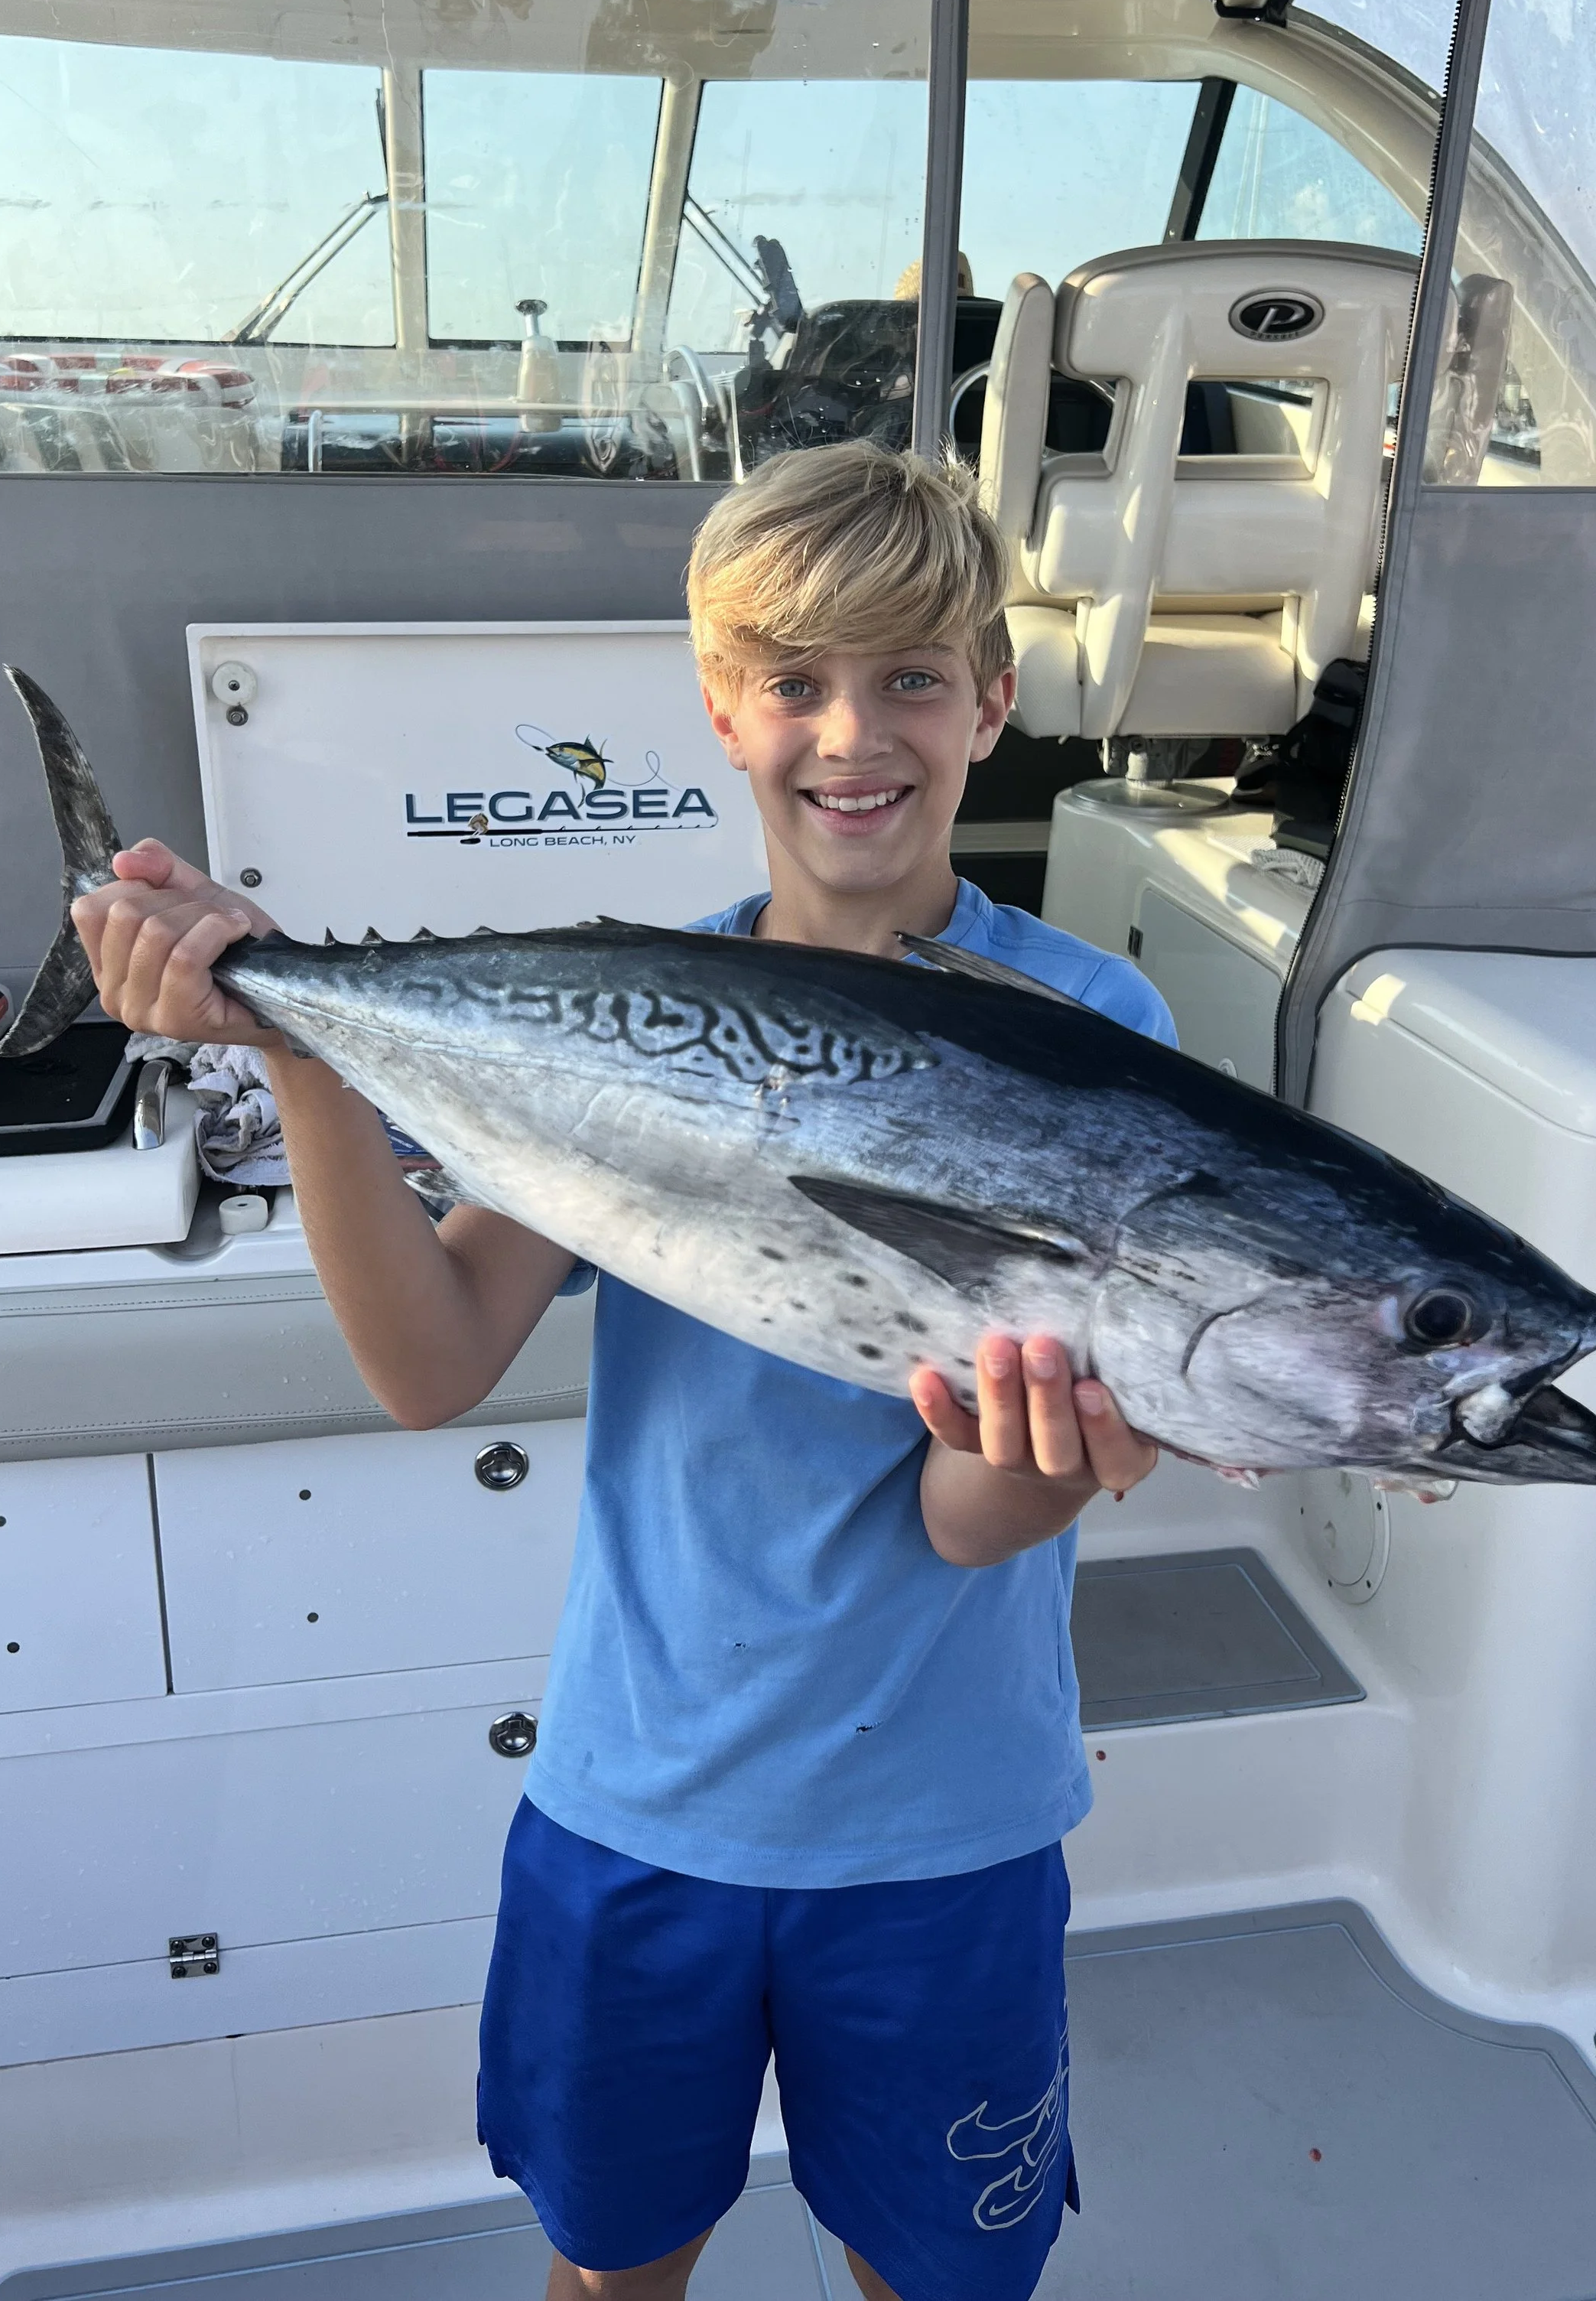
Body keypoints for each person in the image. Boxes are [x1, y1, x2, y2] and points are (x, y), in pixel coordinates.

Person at [73, 441, 1176, 2301]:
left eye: (913, 676)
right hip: (632, 1797)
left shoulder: (1092, 1033)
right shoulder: (623, 1004)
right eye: (800, 683)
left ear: (992, 701)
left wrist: (1060, 1454)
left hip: (944, 1825)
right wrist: (301, 1054)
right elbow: (430, 1364)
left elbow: (960, 1521)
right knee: (611, 2267)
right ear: (721, 711)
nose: (855, 733)